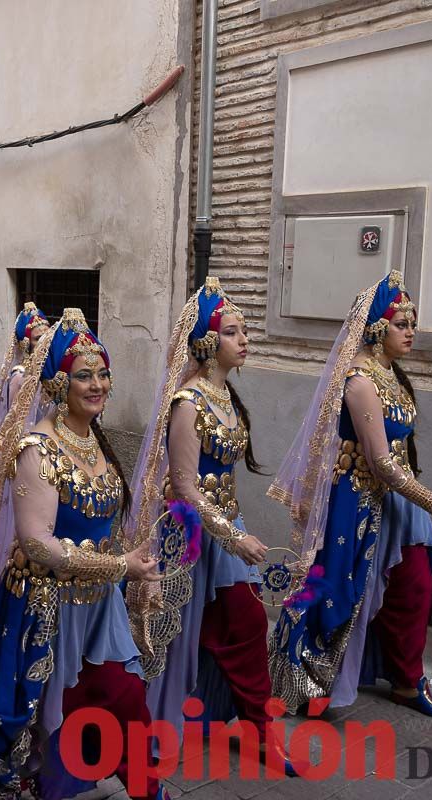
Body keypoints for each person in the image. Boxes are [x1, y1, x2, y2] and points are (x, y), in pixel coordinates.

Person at [0, 308, 169, 800]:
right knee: (53, 715)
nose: (97, 385)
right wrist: (120, 567)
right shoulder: (37, 448)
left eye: (103, 373)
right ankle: (55, 785)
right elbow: (35, 543)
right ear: (57, 384)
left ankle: (146, 789)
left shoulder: (95, 442)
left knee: (125, 696)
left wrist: (137, 568)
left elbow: (102, 526)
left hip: (98, 607)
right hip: (43, 609)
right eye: (83, 375)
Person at [267, 271, 432, 718]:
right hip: (360, 501)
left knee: (414, 585)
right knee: (337, 588)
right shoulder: (360, 380)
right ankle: (306, 680)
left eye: (413, 323)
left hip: (398, 499)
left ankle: (405, 677)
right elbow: (380, 462)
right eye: (402, 324)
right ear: (378, 328)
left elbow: (398, 455)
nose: (411, 332)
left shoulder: (390, 374)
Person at [122, 277, 298, 775]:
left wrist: (234, 530)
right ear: (206, 341)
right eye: (233, 332)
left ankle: (253, 724)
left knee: (240, 622)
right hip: (190, 533)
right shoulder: (189, 405)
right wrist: (234, 536)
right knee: (176, 631)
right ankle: (155, 729)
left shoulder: (226, 399)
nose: (244, 340)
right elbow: (185, 489)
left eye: (244, 332)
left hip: (222, 527)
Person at [0, 301, 50, 451]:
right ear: (26, 344)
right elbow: (12, 420)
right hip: (25, 446)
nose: (45, 342)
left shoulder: (52, 373)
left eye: (47, 336)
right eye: (38, 338)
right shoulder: (20, 376)